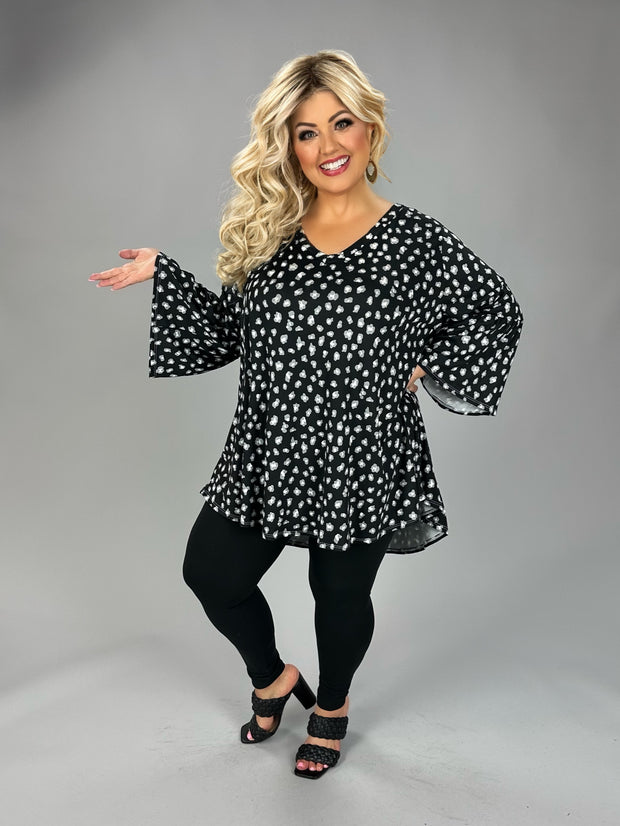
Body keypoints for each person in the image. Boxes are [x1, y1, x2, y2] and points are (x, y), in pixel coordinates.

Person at [89, 50, 524, 779]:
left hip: (364, 453)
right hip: (269, 448)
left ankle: (334, 704)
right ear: (287, 146)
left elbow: (495, 307)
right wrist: (166, 273)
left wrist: (427, 365)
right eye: (306, 132)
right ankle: (273, 679)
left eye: (342, 123)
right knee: (212, 573)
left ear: (370, 129)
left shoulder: (415, 240)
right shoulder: (271, 233)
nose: (328, 146)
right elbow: (228, 334)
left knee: (339, 595)